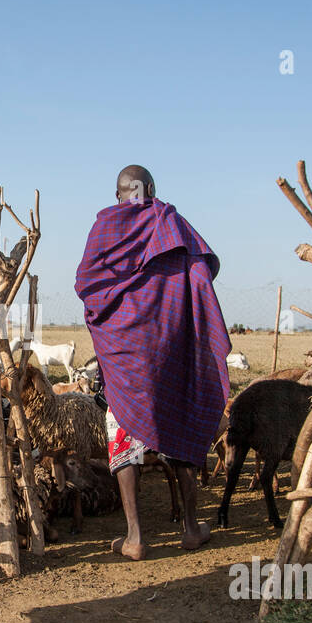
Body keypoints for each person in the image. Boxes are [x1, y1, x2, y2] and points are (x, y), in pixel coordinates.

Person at [74, 165, 231, 560]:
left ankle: (135, 538)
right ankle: (192, 529)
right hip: (169, 351)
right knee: (179, 423)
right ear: (152, 189)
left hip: (125, 358)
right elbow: (199, 275)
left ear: (119, 193)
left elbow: (88, 287)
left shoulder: (105, 228)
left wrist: (116, 327)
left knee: (123, 434)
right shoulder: (171, 223)